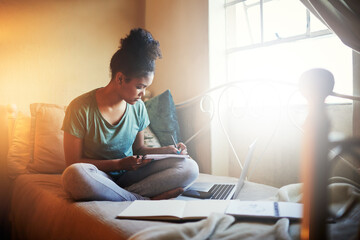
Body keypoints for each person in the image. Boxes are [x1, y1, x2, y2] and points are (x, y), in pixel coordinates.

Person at [61, 28, 199, 201]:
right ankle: (141, 199)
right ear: (120, 79)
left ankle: (123, 196)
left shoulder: (138, 107)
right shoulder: (80, 108)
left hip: (129, 177)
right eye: (140, 86)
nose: (143, 94)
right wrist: (118, 163)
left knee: (190, 167)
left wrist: (168, 151)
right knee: (73, 175)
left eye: (146, 87)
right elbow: (73, 163)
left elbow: (139, 149)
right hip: (98, 176)